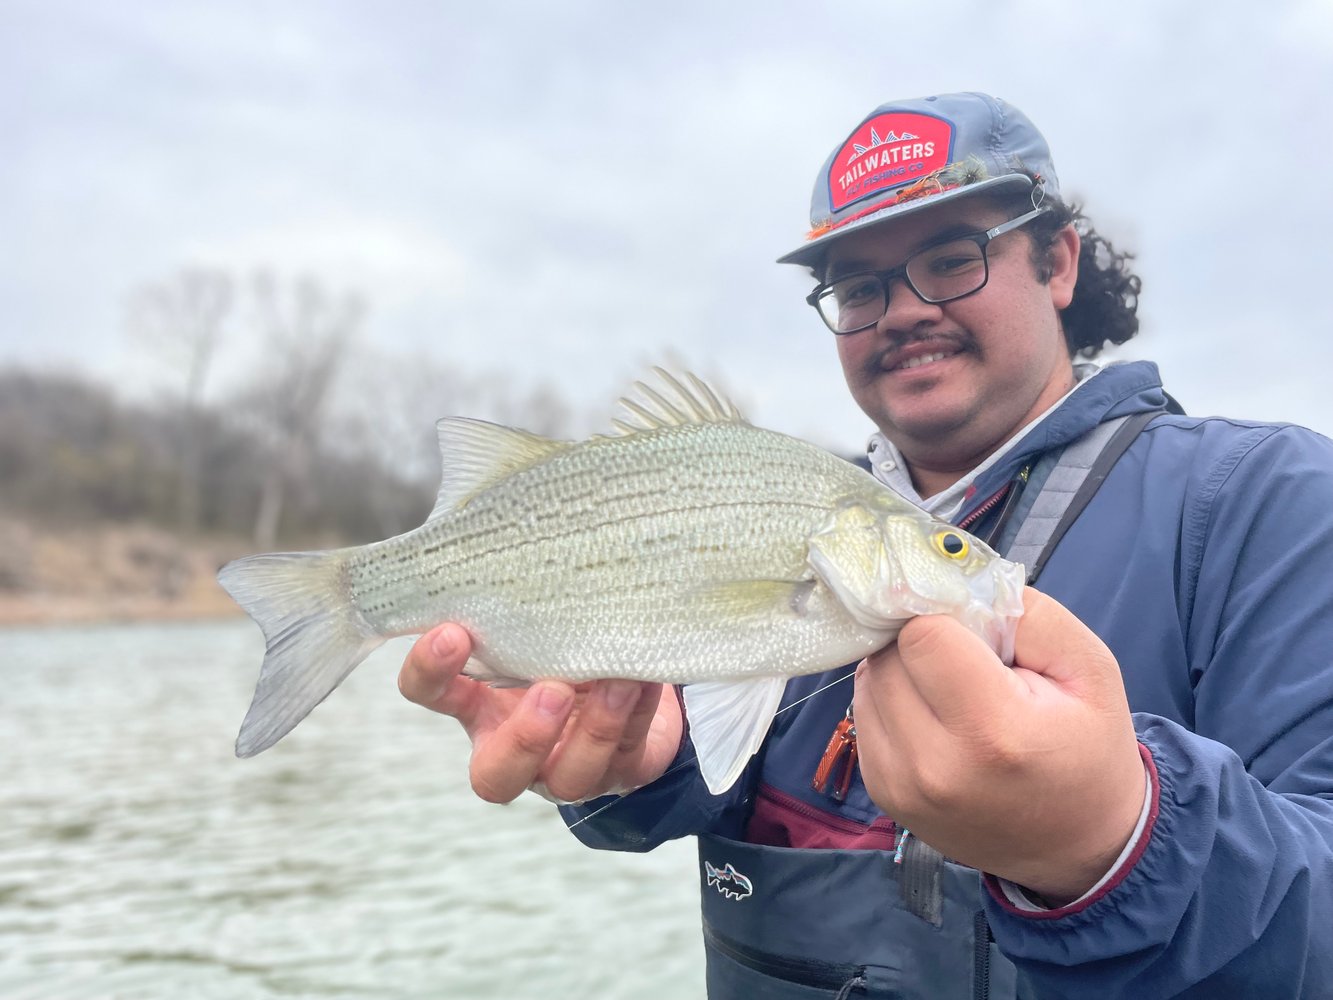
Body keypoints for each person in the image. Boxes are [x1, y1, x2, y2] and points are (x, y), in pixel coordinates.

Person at [396, 92, 1333, 998]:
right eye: (857, 285)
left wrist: (1112, 841)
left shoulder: (1275, 501)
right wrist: (638, 770)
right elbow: (705, 762)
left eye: (952, 257)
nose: (901, 309)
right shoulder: (792, 509)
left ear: (1058, 262)